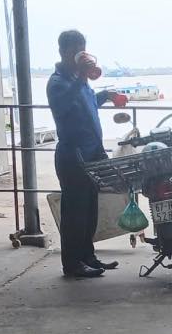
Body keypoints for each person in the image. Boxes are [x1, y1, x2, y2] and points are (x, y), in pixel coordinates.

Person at [47, 30, 122, 278]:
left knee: (90, 209)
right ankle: (72, 264)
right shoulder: (58, 82)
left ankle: (87, 256)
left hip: (92, 153)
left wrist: (105, 95)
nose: (80, 55)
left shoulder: (78, 80)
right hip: (73, 154)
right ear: (63, 52)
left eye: (83, 49)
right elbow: (65, 105)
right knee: (75, 212)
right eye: (75, 51)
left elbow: (85, 101)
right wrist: (81, 77)